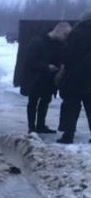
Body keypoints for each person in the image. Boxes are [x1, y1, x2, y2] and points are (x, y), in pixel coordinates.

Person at [20, 22, 70, 133]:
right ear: (58, 31)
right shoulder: (38, 42)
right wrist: (46, 67)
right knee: (33, 102)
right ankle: (31, 127)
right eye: (65, 35)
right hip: (36, 79)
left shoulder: (59, 45)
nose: (65, 38)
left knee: (45, 102)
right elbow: (29, 61)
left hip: (49, 80)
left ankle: (41, 125)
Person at [57, 11, 91, 144]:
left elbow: (66, 55)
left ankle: (68, 136)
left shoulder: (75, 33)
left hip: (75, 78)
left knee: (72, 108)